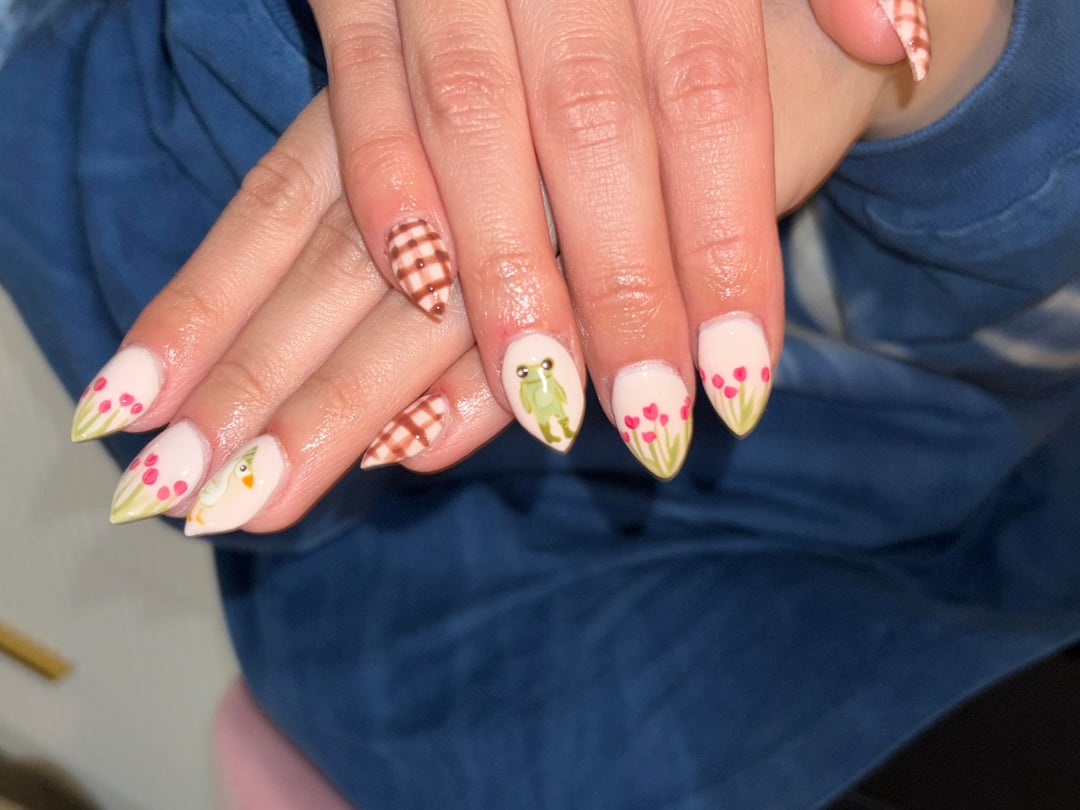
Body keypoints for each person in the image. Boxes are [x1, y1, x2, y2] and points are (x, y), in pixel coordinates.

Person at [2, 0, 1079, 808]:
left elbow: (998, 373)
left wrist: (956, 72)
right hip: (533, 639)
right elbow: (275, 467)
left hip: (992, 497)